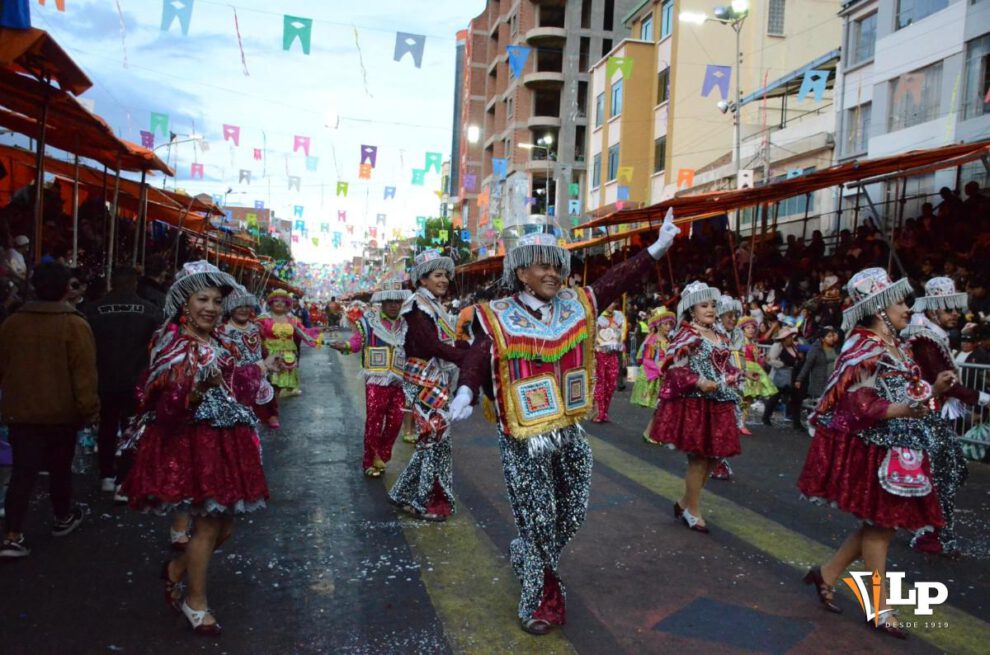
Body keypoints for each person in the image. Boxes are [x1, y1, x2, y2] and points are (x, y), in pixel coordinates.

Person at [451, 214, 680, 635]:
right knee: (538, 516)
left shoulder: (577, 305)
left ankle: (530, 555)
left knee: (571, 511)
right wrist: (466, 390)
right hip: (523, 437)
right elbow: (477, 356)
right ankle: (542, 598)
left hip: (569, 430)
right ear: (521, 271)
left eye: (557, 265)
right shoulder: (495, 314)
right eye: (542, 265)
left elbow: (616, 281)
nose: (553, 273)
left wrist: (658, 247)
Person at [797, 268, 954, 640]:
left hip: (898, 448)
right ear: (880, 308)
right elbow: (859, 405)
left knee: (879, 525)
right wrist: (907, 409)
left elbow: (908, 397)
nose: (907, 308)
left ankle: (827, 574)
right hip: (874, 450)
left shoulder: (895, 346)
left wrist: (933, 389)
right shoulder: (863, 347)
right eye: (900, 301)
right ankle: (880, 607)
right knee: (881, 527)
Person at [122, 261, 277, 636]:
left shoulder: (218, 341)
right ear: (184, 305)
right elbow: (158, 400)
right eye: (201, 299)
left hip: (226, 445)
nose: (210, 307)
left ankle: (176, 570)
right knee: (208, 528)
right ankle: (196, 603)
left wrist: (261, 369)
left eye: (215, 300)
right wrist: (192, 391)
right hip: (196, 446)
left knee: (223, 529)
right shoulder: (174, 344)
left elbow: (235, 382)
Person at [0, 262, 99, 558]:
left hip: (22, 411)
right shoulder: (74, 325)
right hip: (61, 413)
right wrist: (90, 410)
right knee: (59, 470)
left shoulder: (12, 324)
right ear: (65, 288)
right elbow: (84, 375)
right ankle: (62, 516)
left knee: (22, 473)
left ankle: (13, 534)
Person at [902, 277, 989, 555]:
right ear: (932, 310)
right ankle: (933, 534)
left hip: (930, 415)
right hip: (923, 416)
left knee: (950, 472)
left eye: (955, 309)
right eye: (949, 309)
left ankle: (929, 527)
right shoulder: (925, 338)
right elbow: (945, 382)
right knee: (945, 474)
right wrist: (983, 398)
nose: (955, 315)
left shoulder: (931, 335)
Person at [647, 281, 742, 532]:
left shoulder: (720, 335)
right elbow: (674, 371)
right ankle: (693, 511)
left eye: (712, 305)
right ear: (691, 310)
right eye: (704, 305)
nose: (710, 309)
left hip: (720, 403)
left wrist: (735, 375)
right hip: (696, 406)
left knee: (713, 459)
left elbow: (725, 366)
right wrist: (699, 381)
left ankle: (683, 502)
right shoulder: (687, 335)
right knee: (698, 460)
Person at [388, 249, 467, 522]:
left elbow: (441, 344)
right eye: (437, 275)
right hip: (422, 379)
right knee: (435, 438)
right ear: (422, 279)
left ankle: (404, 493)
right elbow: (429, 345)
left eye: (446, 275)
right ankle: (423, 502)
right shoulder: (417, 306)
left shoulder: (431, 304)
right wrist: (465, 356)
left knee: (433, 439)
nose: (444, 280)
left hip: (433, 378)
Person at [85, 266, 162, 498]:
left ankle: (106, 476)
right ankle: (123, 481)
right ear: (135, 284)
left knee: (107, 427)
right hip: (135, 380)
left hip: (103, 379)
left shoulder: (93, 310)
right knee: (131, 429)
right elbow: (158, 347)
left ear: (112, 283)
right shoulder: (150, 311)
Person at [330, 279, 410, 477]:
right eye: (389, 301)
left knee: (396, 421)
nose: (393, 305)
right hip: (376, 380)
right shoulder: (369, 321)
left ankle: (382, 454)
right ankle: (370, 460)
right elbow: (358, 341)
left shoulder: (408, 323)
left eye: (397, 301)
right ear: (382, 302)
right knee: (374, 421)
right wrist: (347, 346)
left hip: (400, 380)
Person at [216, 288, 279, 429]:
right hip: (238, 379)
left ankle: (270, 414)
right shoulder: (223, 331)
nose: (243, 310)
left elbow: (262, 349)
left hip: (261, 374)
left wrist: (269, 361)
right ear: (230, 307)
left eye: (246, 306)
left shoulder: (256, 327)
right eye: (238, 306)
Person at [258, 289, 317, 398]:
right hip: (270, 356)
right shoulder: (263, 319)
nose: (279, 303)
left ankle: (276, 402)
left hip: (288, 356)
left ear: (287, 304)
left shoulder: (292, 319)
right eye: (276, 301)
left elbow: (304, 332)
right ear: (270, 303)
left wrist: (317, 334)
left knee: (281, 386)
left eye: (283, 301)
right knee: (270, 385)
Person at [630, 308, 675, 410]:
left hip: (667, 377)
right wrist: (659, 370)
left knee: (663, 410)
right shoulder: (652, 340)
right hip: (656, 377)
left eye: (670, 324)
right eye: (665, 324)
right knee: (660, 410)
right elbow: (647, 360)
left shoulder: (670, 340)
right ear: (658, 325)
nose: (668, 327)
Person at [738, 315, 776, 429]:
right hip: (744, 370)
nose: (751, 330)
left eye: (753, 328)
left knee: (748, 399)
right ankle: (738, 422)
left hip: (754, 370)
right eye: (748, 328)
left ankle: (742, 423)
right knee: (742, 397)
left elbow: (757, 358)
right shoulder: (740, 342)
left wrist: (762, 360)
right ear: (743, 330)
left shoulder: (752, 342)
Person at [593, 300, 626, 422]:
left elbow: (621, 337)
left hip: (613, 355)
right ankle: (599, 413)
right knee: (600, 383)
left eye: (614, 302)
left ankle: (604, 412)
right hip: (600, 354)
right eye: (610, 302)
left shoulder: (619, 316)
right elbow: (593, 337)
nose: (613, 304)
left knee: (611, 385)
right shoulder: (598, 317)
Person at [763, 327, 803, 426]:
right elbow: (769, 360)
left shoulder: (794, 346)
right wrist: (782, 364)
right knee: (775, 398)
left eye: (791, 337)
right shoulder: (778, 346)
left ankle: (796, 422)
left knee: (795, 399)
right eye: (789, 337)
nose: (791, 339)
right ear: (784, 338)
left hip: (792, 376)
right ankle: (766, 417)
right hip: (780, 376)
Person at [794, 326, 840, 401]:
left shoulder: (836, 349)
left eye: (832, 336)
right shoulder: (815, 350)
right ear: (822, 339)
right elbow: (807, 365)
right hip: (819, 382)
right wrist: (799, 379)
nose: (831, 338)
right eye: (829, 336)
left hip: (833, 381)